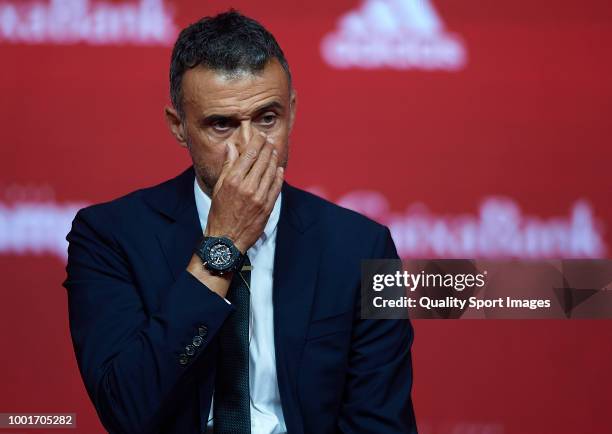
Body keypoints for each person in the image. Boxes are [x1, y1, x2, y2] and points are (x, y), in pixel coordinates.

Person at [63, 9, 417, 434]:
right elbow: (126, 410)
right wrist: (223, 244)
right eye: (221, 125)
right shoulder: (108, 237)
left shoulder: (363, 248)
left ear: (293, 111)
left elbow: (381, 425)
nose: (249, 148)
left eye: (268, 118)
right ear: (178, 127)